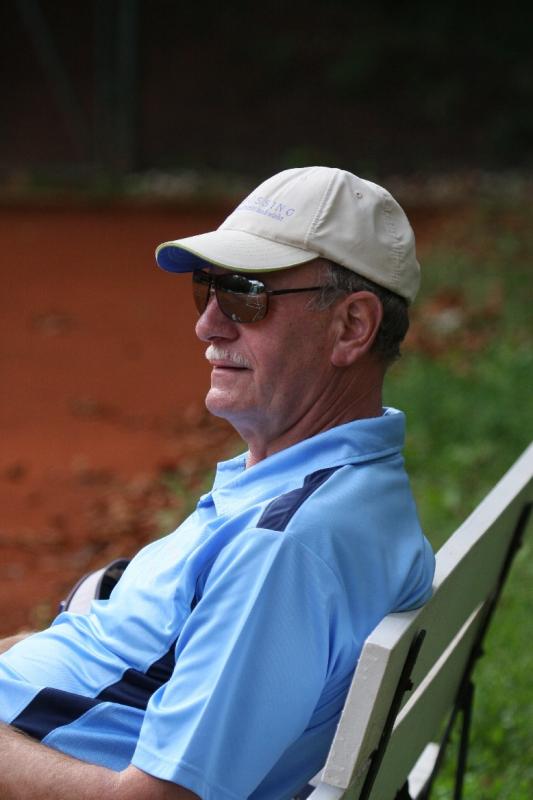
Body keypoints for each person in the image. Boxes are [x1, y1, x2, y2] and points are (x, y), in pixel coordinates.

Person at [0, 166, 435, 800]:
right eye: (206, 290)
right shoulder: (328, 485)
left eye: (244, 295)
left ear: (351, 327)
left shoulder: (283, 547)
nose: (207, 325)